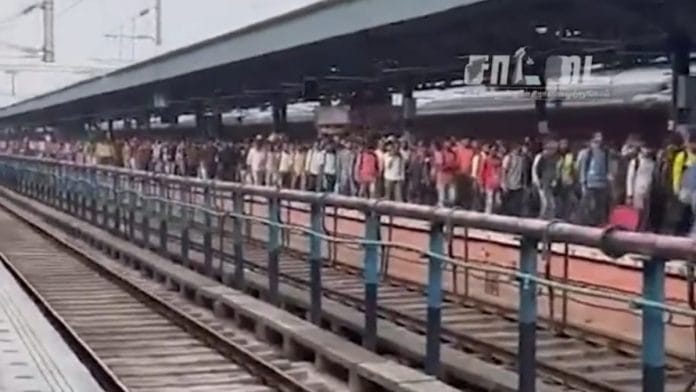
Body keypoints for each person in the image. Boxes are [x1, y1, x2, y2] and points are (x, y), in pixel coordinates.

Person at [579, 132, 611, 226]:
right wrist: (583, 182)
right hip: (590, 183)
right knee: (589, 206)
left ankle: (599, 223)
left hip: (602, 183)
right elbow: (583, 168)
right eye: (596, 141)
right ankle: (587, 223)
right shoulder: (587, 153)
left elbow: (607, 166)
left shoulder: (605, 152)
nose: (598, 143)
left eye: (600, 141)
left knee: (600, 206)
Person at [626, 144, 655, 230]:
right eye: (645, 148)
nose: (647, 150)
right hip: (637, 192)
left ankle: (641, 231)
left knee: (645, 215)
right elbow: (630, 178)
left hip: (648, 192)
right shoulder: (635, 162)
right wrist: (629, 194)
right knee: (636, 214)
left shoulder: (652, 162)